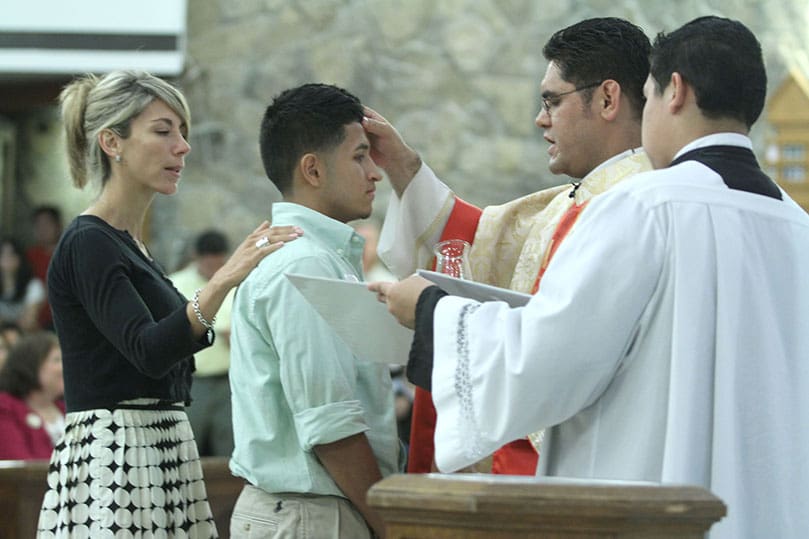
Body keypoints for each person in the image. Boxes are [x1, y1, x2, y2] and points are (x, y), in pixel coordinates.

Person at [372, 16, 809, 539]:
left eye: (647, 95)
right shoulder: (797, 225)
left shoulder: (645, 206)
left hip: (654, 513)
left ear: (675, 91)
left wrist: (433, 311)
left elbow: (544, 359)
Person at [363, 17, 652, 475]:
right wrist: (403, 166)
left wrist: (432, 311)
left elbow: (561, 347)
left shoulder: (637, 206)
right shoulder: (578, 200)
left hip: (584, 463)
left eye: (552, 101)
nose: (541, 119)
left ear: (607, 98)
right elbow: (478, 241)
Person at [38, 70, 300, 538]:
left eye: (183, 131)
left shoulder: (128, 245)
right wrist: (223, 279)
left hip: (161, 445)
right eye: (163, 131)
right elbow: (150, 350)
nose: (182, 146)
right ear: (111, 142)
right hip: (117, 452)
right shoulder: (88, 242)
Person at [229, 83, 400, 539]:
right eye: (360, 155)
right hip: (312, 514)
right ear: (313, 169)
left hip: (314, 509)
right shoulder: (305, 261)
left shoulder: (320, 257)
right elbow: (331, 424)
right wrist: (391, 526)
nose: (374, 173)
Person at [170, 229, 243, 457]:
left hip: (229, 379)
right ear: (196, 257)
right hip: (193, 380)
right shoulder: (176, 283)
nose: (213, 268)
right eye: (208, 262)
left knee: (230, 445)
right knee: (188, 444)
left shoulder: (238, 281)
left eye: (218, 262)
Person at [0, 331, 65, 460]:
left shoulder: (65, 410)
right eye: (57, 360)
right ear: (30, 364)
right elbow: (19, 466)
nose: (64, 367)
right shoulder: (5, 408)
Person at [26, 205, 63, 329]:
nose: (43, 229)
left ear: (58, 226)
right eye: (38, 225)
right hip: (35, 323)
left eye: (47, 224)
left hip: (64, 321)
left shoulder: (68, 254)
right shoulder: (28, 257)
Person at [0, 237, 45, 332]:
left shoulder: (34, 286)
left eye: (11, 254)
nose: (6, 258)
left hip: (25, 339)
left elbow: (28, 323)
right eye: (2, 254)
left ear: (20, 258)